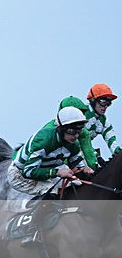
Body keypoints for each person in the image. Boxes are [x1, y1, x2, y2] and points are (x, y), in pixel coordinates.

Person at [8, 106, 91, 246]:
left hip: (47, 168)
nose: (76, 136)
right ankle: (31, 231)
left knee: (77, 184)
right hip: (20, 174)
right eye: (72, 131)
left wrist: (86, 169)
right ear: (61, 129)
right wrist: (57, 172)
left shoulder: (73, 144)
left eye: (79, 131)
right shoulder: (44, 140)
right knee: (51, 190)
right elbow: (28, 171)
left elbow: (77, 164)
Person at [85, 83, 119, 161]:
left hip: (86, 152)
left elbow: (111, 140)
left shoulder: (104, 121)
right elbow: (81, 142)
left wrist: (119, 154)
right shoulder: (81, 114)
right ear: (93, 100)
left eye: (108, 103)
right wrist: (97, 156)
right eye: (103, 102)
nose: (106, 106)